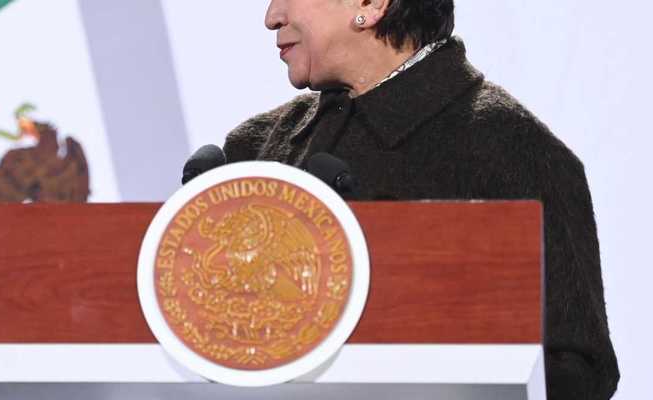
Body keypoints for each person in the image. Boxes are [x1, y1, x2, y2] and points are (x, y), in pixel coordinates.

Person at [223, 1, 618, 398]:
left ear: (372, 5)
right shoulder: (251, 153)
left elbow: (577, 373)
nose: (272, 16)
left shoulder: (514, 151)